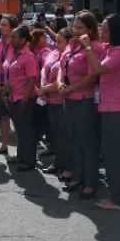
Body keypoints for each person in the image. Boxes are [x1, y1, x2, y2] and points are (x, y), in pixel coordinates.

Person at [82, 15, 120, 211]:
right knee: (112, 154)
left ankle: (118, 199)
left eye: (105, 28)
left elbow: (98, 69)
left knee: (115, 156)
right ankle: (118, 194)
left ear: (115, 31)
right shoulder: (111, 48)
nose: (101, 31)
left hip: (116, 109)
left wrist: (88, 46)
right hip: (110, 108)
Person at [57, 11, 105, 198]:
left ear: (91, 30)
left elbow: (92, 75)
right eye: (74, 27)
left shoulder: (95, 47)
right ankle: (77, 175)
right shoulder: (71, 44)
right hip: (68, 99)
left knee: (88, 142)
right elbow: (62, 67)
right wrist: (61, 83)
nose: (75, 31)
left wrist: (72, 88)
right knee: (73, 139)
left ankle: (90, 181)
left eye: (80, 28)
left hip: (85, 99)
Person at [1, 25, 40, 171]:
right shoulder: (12, 52)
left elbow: (31, 78)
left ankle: (29, 160)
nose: (11, 40)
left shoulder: (28, 56)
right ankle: (21, 156)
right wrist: (5, 91)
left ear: (23, 40)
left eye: (14, 37)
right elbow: (7, 72)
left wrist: (25, 98)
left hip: (25, 98)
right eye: (11, 37)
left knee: (27, 130)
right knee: (20, 128)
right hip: (12, 97)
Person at [38, 27, 72, 176]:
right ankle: (58, 161)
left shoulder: (69, 56)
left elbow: (62, 80)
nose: (57, 44)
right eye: (56, 41)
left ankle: (67, 165)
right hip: (50, 99)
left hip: (63, 100)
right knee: (55, 133)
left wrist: (45, 89)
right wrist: (43, 88)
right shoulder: (53, 53)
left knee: (65, 134)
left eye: (60, 41)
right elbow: (44, 70)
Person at [0, 15, 19, 155]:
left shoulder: (16, 44)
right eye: (1, 24)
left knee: (16, 116)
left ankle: (21, 147)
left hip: (13, 84)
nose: (1, 27)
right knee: (3, 116)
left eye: (4, 25)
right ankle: (4, 145)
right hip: (2, 83)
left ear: (12, 28)